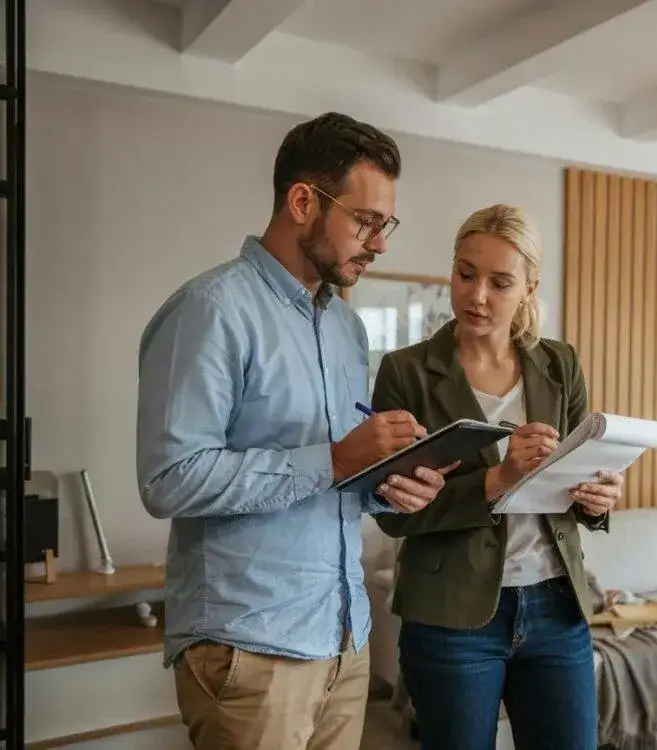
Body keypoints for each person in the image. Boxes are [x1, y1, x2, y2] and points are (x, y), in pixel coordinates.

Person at [135, 112, 454, 750]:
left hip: (344, 638)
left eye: (385, 224)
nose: (380, 243)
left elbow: (337, 474)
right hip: (248, 646)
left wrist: (385, 483)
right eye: (366, 221)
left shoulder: (346, 328)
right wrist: (336, 461)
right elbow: (168, 481)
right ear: (303, 201)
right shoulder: (211, 310)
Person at [370, 204, 625, 749]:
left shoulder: (560, 365)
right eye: (466, 273)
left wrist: (597, 499)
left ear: (529, 288)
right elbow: (391, 514)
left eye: (500, 282)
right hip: (450, 620)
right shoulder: (406, 372)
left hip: (557, 606)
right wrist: (501, 476)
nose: (476, 295)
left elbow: (573, 478)